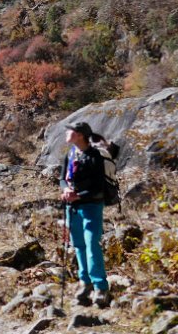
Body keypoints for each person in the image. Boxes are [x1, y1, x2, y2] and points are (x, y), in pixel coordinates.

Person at [60, 121, 110, 307]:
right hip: (73, 207)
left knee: (91, 244)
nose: (67, 133)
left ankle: (101, 287)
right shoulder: (71, 153)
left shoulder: (94, 156)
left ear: (80, 135)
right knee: (79, 245)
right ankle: (85, 283)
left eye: (70, 131)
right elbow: (62, 179)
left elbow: (98, 187)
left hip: (91, 207)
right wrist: (66, 190)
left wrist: (78, 196)